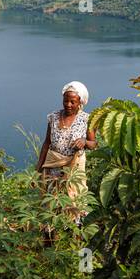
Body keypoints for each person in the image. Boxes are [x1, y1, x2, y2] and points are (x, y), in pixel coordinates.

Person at [36, 81, 96, 227]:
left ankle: (74, 231)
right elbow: (46, 142)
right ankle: (51, 233)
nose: (68, 104)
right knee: (52, 199)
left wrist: (84, 141)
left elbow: (94, 144)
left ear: (80, 102)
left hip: (74, 167)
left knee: (73, 198)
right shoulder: (53, 117)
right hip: (53, 165)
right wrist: (39, 167)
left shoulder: (87, 119)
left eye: (72, 102)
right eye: (66, 101)